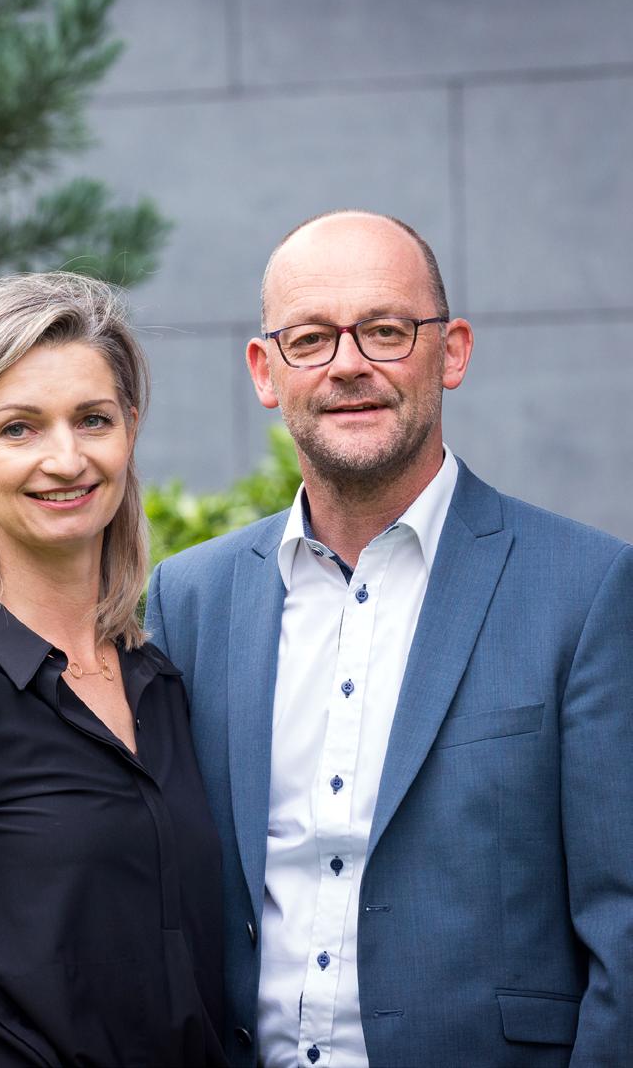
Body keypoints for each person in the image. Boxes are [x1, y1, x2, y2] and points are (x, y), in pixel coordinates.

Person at [145, 211, 633, 1068]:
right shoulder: (189, 599)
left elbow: (622, 925)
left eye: (384, 330)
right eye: (309, 339)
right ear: (264, 371)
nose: (347, 365)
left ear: (452, 351)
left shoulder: (586, 589)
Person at [0, 273, 227, 1068]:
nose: (66, 459)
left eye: (92, 419)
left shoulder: (158, 678)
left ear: (129, 429)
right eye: (18, 428)